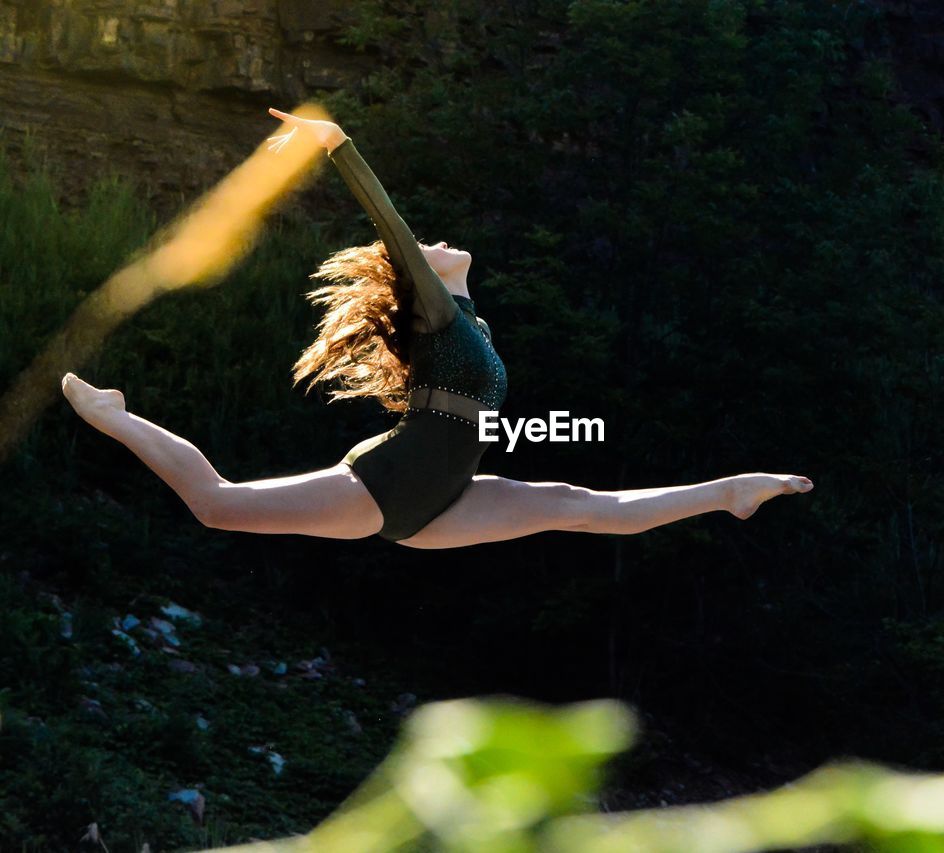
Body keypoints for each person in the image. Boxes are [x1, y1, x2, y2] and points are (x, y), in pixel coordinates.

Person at [59, 108, 813, 549]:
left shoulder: (468, 321)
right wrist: (335, 142)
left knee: (584, 505)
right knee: (220, 503)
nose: (440, 243)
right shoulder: (438, 312)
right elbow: (391, 222)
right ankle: (116, 416)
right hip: (397, 477)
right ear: (421, 270)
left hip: (445, 493)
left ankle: (732, 490)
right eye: (431, 250)